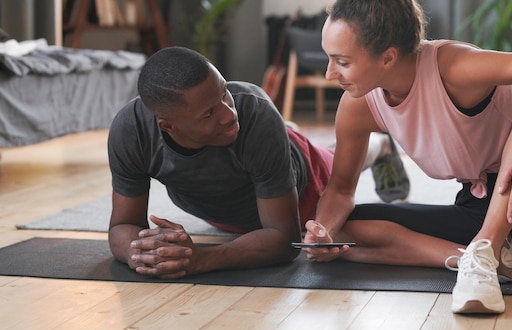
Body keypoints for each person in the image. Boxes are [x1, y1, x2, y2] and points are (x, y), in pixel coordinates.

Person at [301, 0, 512, 315]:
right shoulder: (359, 106)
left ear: (388, 57)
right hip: (480, 206)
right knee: (347, 230)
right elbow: (340, 189)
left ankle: (486, 250)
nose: (332, 74)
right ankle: (472, 258)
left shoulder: (453, 67)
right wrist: (323, 232)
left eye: (342, 62)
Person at [107, 46, 409, 280]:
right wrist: (140, 254)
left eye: (225, 92)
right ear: (168, 127)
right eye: (209, 114)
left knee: (337, 161)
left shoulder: (252, 114)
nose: (229, 113)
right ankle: (286, 131)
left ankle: (379, 145)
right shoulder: (131, 131)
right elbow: (122, 225)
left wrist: (202, 259)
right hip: (221, 206)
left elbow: (283, 239)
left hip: (301, 190)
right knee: (269, 135)